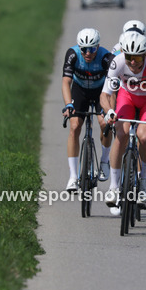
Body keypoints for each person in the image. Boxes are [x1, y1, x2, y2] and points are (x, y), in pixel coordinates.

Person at [100, 31, 146, 216]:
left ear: (145, 54)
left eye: (138, 58)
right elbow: (105, 95)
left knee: (145, 135)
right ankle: (114, 186)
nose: (133, 62)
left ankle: (145, 180)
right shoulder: (118, 62)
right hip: (127, 98)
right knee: (121, 133)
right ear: (124, 53)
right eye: (129, 57)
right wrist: (109, 111)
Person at [61, 28, 114, 191]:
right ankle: (73, 177)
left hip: (101, 91)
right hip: (80, 90)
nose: (88, 53)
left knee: (105, 124)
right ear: (79, 47)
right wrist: (69, 104)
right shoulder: (72, 54)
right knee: (75, 126)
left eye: (92, 49)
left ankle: (104, 161)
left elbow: (112, 88)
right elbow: (66, 82)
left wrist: (111, 110)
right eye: (84, 49)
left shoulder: (106, 57)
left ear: (98, 46)